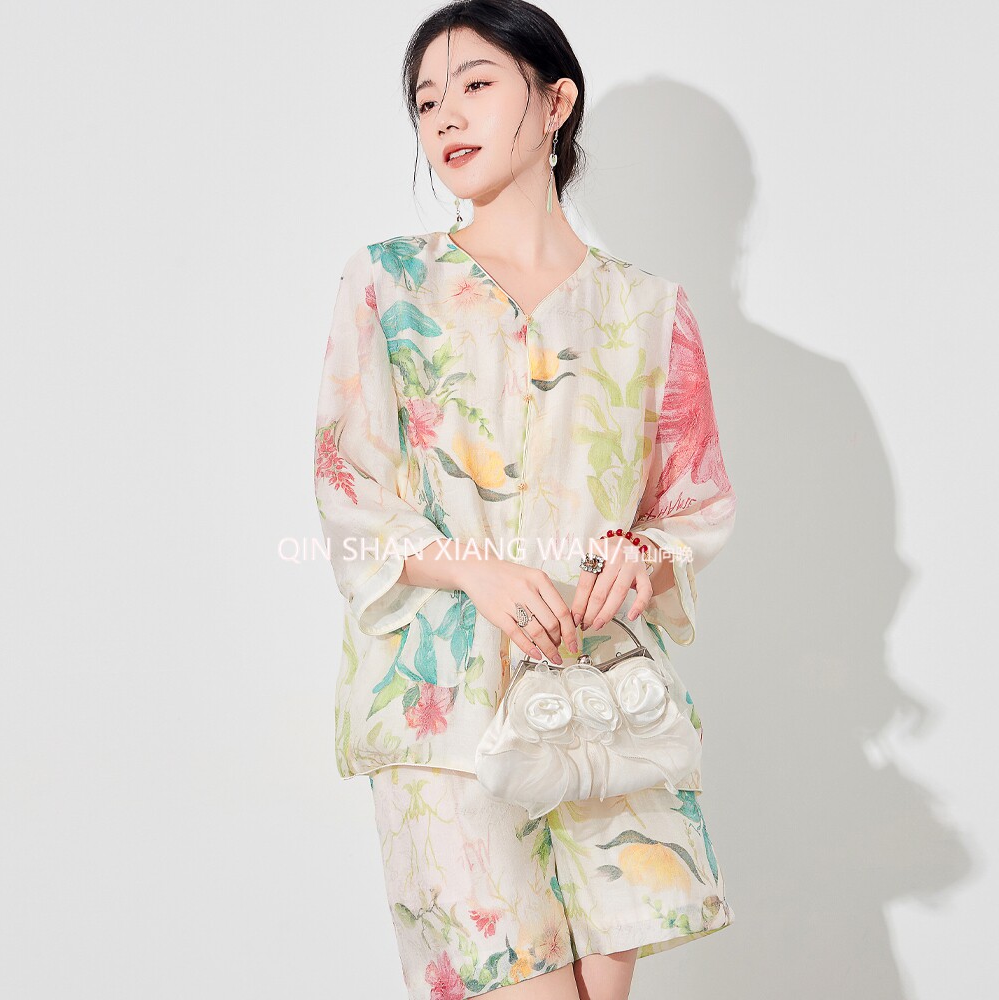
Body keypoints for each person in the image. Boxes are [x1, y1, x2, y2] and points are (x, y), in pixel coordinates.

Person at [313, 2, 738, 997]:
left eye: (475, 85)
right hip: (445, 714)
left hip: (605, 707)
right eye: (427, 101)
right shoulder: (389, 284)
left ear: (555, 102)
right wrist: (477, 568)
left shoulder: (649, 309)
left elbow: (694, 503)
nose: (446, 117)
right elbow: (347, 483)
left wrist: (641, 556)